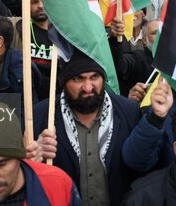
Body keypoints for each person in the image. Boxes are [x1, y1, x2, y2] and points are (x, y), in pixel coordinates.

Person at [34, 51, 142, 206]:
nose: (88, 87)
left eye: (94, 77)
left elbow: (142, 165)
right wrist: (34, 155)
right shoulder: (40, 116)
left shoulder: (129, 112)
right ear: (64, 82)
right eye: (78, 79)